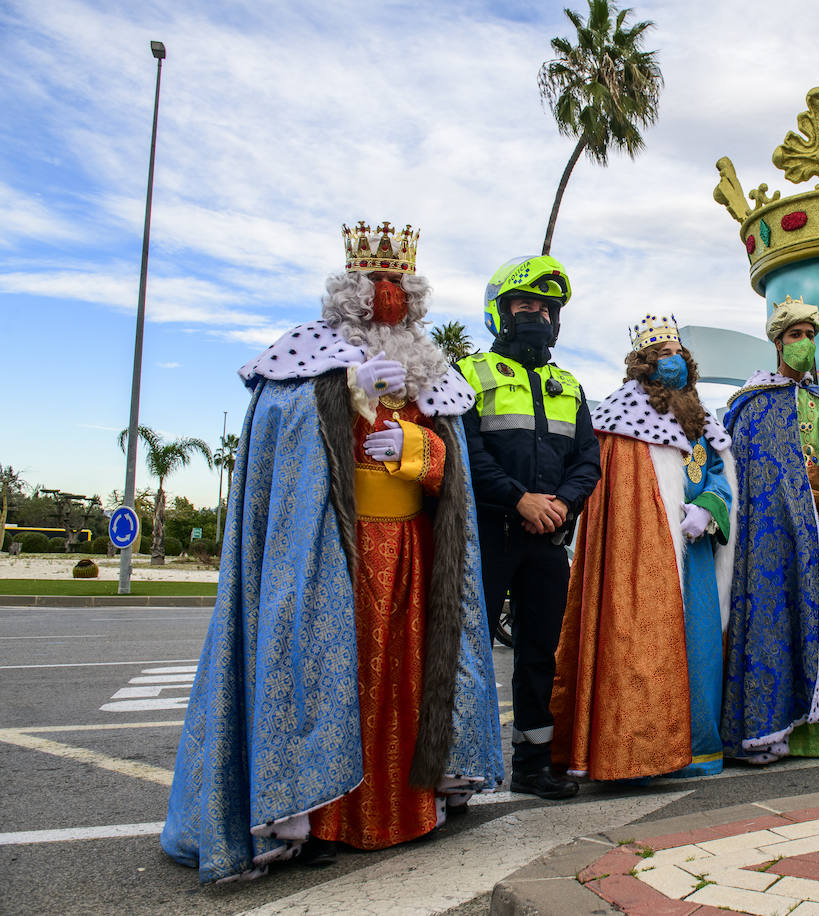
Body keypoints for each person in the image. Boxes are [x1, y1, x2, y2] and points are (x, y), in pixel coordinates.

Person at [162, 221, 502, 883]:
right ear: (349, 289)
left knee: (405, 683)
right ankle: (312, 820)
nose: (389, 297)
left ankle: (409, 807)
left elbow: (452, 469)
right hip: (325, 559)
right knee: (322, 679)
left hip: (410, 556)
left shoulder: (430, 365)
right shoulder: (304, 358)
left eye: (400, 285)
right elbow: (286, 451)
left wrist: (418, 452)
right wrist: (344, 394)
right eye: (378, 283)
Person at [550, 315, 735, 780]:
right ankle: (642, 750)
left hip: (693, 555)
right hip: (635, 561)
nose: (672, 361)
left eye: (677, 352)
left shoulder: (699, 417)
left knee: (702, 651)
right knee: (639, 648)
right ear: (644, 364)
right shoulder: (618, 416)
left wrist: (708, 509)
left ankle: (697, 750)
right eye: (662, 354)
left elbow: (717, 474)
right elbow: (609, 497)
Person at [458, 255, 601, 799]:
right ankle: (458, 770)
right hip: (489, 536)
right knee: (466, 652)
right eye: (525, 305)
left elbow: (588, 459)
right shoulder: (471, 373)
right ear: (500, 312)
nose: (536, 315)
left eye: (546, 308)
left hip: (548, 540)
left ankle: (534, 764)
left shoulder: (569, 384)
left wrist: (561, 504)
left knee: (541, 653)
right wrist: (520, 500)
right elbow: (466, 452)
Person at [720, 296, 819, 764]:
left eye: (811, 336)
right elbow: (739, 477)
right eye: (796, 336)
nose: (805, 344)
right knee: (770, 633)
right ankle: (767, 731)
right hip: (767, 544)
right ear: (777, 343)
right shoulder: (747, 407)